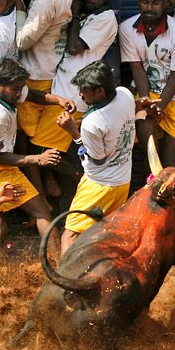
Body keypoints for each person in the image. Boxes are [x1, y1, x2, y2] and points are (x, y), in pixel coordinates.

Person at [0, 58, 70, 268]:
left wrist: (57, 100)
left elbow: (30, 95)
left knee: (0, 227)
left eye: (20, 87)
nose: (18, 93)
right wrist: (38, 159)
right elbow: (0, 157)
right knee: (41, 213)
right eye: (14, 89)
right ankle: (58, 268)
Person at [56, 61, 151, 254]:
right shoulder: (125, 95)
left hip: (98, 185)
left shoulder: (92, 124)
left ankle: (67, 282)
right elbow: (120, 118)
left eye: (84, 90)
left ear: (100, 91)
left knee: (70, 235)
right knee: (104, 234)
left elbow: (96, 159)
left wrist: (74, 132)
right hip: (122, 182)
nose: (80, 94)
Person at [42, 0, 118, 157]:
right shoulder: (91, 14)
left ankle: (60, 186)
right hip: (62, 92)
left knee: (49, 151)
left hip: (74, 96)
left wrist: (75, 14)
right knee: (51, 150)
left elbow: (75, 47)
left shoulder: (106, 18)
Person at [120, 0, 175, 168]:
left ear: (165, 3)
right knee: (149, 151)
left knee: (171, 161)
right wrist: (146, 101)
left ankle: (167, 189)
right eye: (145, 2)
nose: (149, 8)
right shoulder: (127, 29)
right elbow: (137, 68)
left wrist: (160, 106)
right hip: (148, 91)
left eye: (155, 3)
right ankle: (153, 187)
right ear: (139, 1)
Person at [15, 0, 78, 147]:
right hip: (49, 68)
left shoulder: (47, 3)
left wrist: (19, 11)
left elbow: (22, 42)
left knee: (29, 132)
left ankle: (40, 169)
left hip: (35, 74)